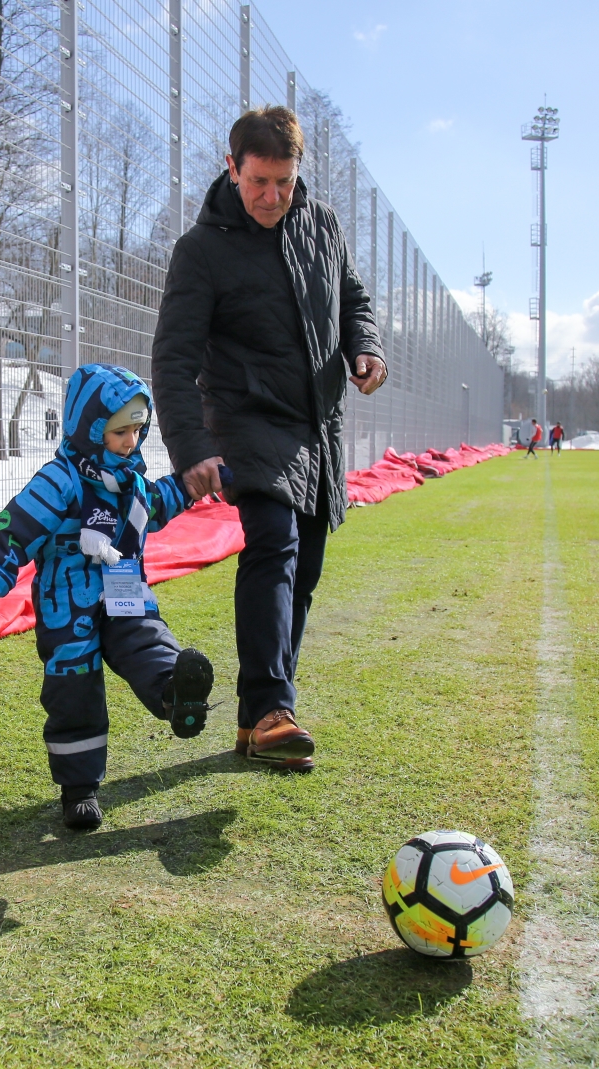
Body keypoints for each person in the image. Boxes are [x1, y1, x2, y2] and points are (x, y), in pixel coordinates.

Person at [150, 106, 386, 772]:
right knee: (274, 546)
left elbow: (353, 298)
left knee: (304, 572)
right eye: (258, 181)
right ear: (233, 167)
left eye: (283, 182)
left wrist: (365, 347)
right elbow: (172, 357)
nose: (271, 197)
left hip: (318, 423)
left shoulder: (323, 225)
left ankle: (257, 718)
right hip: (246, 418)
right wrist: (192, 447)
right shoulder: (201, 251)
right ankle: (277, 705)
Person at [0, 364, 214, 831]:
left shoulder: (131, 480)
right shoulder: (61, 479)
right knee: (75, 692)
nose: (130, 442)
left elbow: (153, 507)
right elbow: (14, 533)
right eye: (119, 432)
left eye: (137, 430)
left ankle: (177, 693)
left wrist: (191, 485)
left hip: (125, 592)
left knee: (148, 641)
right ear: (90, 427)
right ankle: (79, 790)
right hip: (67, 606)